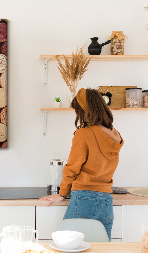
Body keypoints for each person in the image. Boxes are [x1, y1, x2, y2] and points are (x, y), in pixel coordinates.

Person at [40, 88, 124, 240]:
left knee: (66, 246)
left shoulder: (84, 134)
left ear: (85, 111)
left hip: (84, 199)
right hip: (106, 201)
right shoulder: (115, 135)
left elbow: (72, 169)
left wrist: (61, 194)